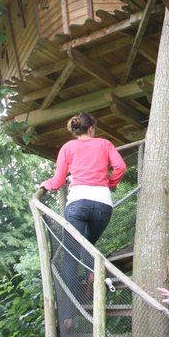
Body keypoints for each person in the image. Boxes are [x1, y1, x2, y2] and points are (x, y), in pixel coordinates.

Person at [39, 112, 126, 302]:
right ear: (91, 128)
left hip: (78, 202)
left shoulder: (68, 147)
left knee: (71, 255)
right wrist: (110, 184)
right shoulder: (104, 144)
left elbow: (59, 179)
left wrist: (47, 185)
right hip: (102, 203)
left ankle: (68, 315)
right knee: (88, 245)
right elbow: (121, 167)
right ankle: (92, 272)